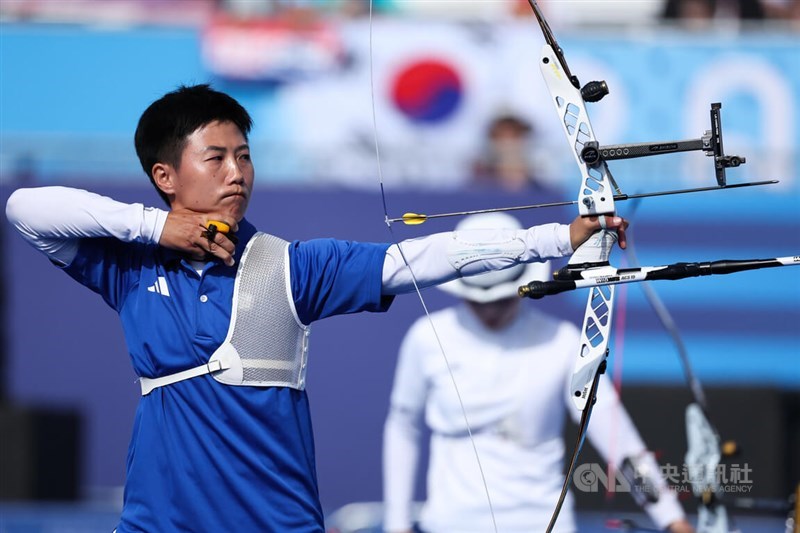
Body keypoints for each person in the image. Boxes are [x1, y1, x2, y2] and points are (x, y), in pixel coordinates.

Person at [5, 84, 628, 532]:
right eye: (215, 157)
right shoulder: (130, 266)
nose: (237, 172)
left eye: (244, 155)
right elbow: (25, 211)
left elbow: (423, 258)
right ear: (166, 175)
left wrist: (554, 238)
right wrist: (155, 227)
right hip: (156, 523)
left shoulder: (292, 265)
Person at [382, 213, 694, 533]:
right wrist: (397, 525)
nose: (490, 312)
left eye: (502, 300)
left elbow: (620, 441)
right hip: (451, 524)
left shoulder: (562, 343)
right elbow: (402, 428)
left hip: (542, 524)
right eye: (479, 302)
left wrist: (671, 519)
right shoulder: (426, 337)